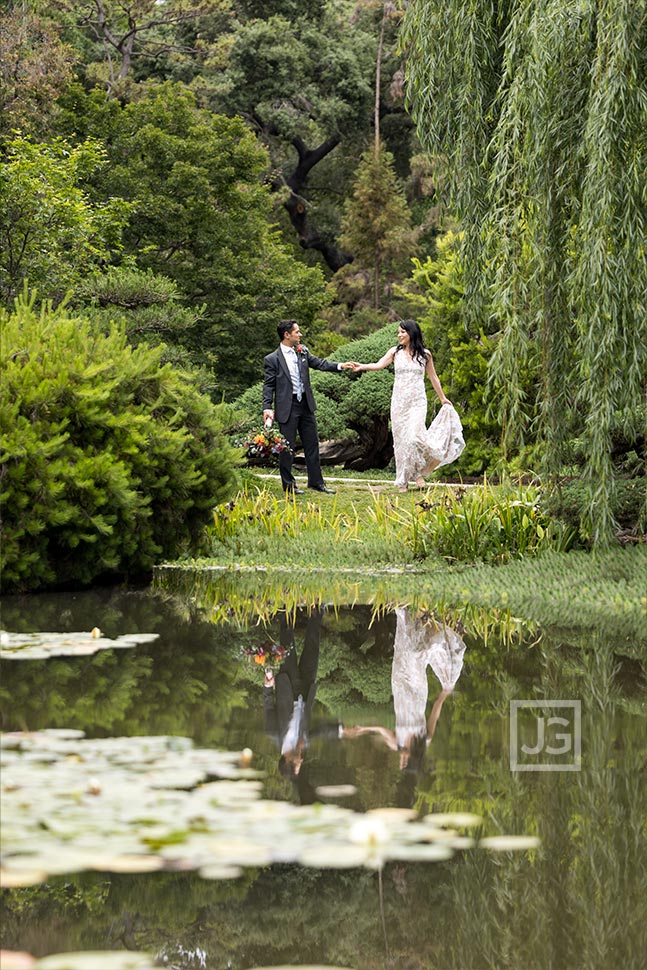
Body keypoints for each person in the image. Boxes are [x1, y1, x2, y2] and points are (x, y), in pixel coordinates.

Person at [344, 607, 466, 778]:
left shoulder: (397, 744)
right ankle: (424, 623)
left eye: (400, 763)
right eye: (403, 763)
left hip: (399, 686)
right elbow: (435, 715)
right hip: (417, 691)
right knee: (416, 655)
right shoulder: (425, 740)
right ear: (412, 760)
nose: (400, 760)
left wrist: (363, 728)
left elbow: (381, 729)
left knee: (402, 650)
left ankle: (404, 612)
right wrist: (444, 694)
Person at [351, 319, 465, 491]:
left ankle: (418, 474)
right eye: (398, 332)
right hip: (399, 403)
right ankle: (403, 479)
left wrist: (443, 398)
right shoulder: (394, 353)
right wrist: (361, 366)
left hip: (417, 402)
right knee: (402, 441)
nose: (399, 335)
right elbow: (378, 365)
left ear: (411, 333)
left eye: (402, 332)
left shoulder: (425, 355)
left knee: (415, 437)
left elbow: (433, 377)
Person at [262, 320, 354, 495]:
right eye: (297, 332)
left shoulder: (302, 351)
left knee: (312, 445)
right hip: (286, 408)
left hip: (306, 405)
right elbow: (268, 385)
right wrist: (267, 407)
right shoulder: (272, 359)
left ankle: (316, 483)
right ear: (286, 335)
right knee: (286, 448)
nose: (300, 334)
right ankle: (289, 486)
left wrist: (341, 366)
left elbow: (320, 363)